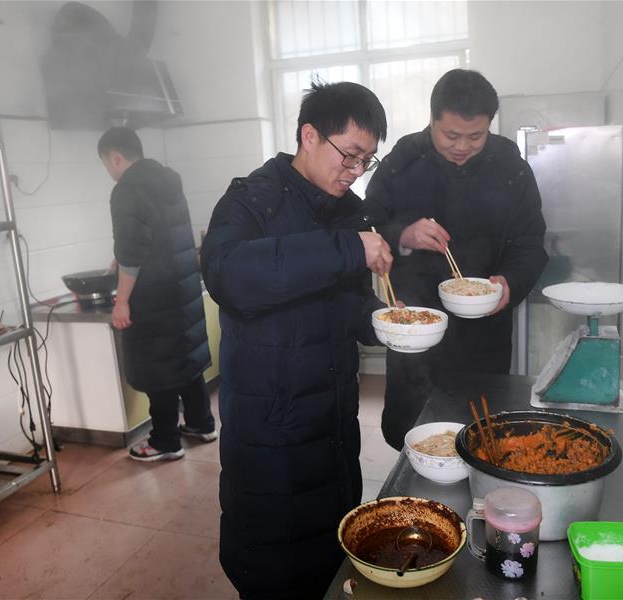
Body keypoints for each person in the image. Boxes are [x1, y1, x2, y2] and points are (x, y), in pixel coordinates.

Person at [201, 81, 392, 599]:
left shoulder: (346, 209)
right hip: (271, 431)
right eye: (349, 155)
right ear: (309, 135)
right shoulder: (252, 200)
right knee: (273, 566)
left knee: (331, 556)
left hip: (332, 423)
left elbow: (347, 302)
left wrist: (385, 323)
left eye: (366, 160)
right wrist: (348, 248)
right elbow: (229, 276)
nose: (355, 171)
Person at [365, 69, 548, 451]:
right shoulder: (402, 161)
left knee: (482, 436)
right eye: (450, 135)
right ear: (432, 119)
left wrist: (510, 284)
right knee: (412, 434)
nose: (462, 146)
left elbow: (530, 245)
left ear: (490, 125)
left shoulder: (510, 167)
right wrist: (403, 235)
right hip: (416, 324)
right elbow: (367, 224)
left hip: (484, 332)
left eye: (475, 136)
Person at [98, 127, 217, 462]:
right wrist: (121, 257)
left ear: (115, 157)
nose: (109, 171)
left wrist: (122, 301)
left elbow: (133, 251)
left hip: (152, 296)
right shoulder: (167, 181)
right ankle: (202, 423)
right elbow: (155, 234)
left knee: (158, 367)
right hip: (181, 287)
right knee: (186, 358)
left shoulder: (127, 189)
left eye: (106, 164)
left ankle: (165, 441)